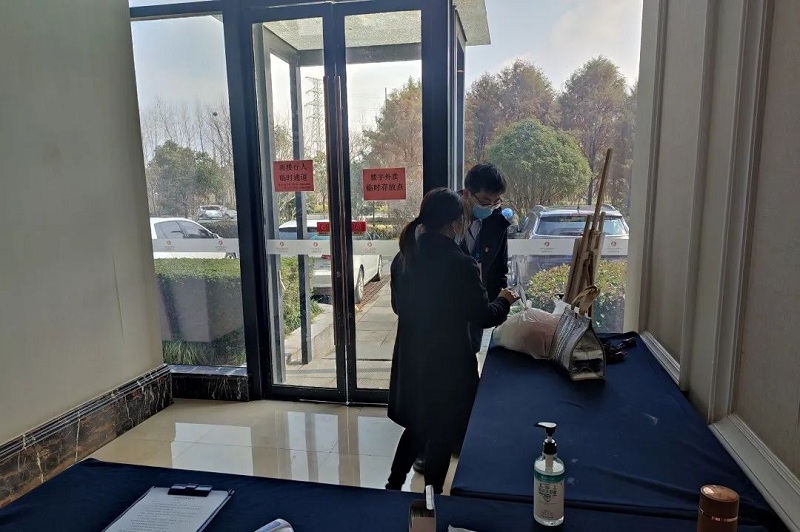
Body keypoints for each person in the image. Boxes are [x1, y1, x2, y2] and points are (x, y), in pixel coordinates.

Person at [385, 188, 518, 494]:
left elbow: (397, 307)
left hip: (413, 358)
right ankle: (432, 499)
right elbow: (482, 316)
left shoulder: (404, 256)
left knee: (417, 425)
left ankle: (392, 487)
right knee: (442, 432)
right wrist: (504, 300)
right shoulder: (460, 263)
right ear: (456, 223)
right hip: (447, 365)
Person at [414, 163, 510, 474]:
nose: (490, 207)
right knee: (436, 382)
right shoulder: (442, 214)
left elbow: (499, 268)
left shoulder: (497, 223)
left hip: (473, 308)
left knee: (463, 373)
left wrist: (493, 299)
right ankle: (427, 448)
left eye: (496, 202)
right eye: (484, 201)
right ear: (466, 193)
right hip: (438, 319)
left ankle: (455, 438)